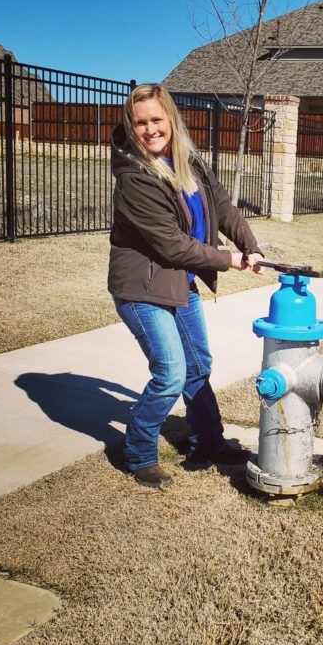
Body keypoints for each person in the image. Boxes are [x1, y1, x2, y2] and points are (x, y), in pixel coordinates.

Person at [108, 83, 264, 489]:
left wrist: (250, 245)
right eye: (139, 123)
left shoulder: (190, 161)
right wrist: (228, 259)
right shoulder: (134, 176)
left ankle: (209, 443)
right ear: (131, 125)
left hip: (180, 281)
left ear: (171, 120)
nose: (149, 130)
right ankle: (139, 452)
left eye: (156, 120)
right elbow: (172, 245)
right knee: (171, 373)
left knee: (198, 367)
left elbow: (224, 207)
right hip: (141, 289)